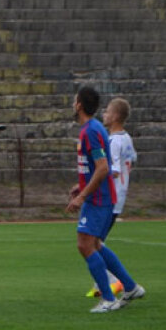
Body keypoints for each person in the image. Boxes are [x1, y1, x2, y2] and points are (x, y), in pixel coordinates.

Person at [65, 85, 145, 313]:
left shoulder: (90, 131)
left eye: (75, 100)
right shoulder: (95, 128)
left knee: (85, 245)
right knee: (95, 245)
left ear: (79, 105)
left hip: (98, 199)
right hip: (100, 196)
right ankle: (130, 287)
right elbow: (100, 166)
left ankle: (108, 299)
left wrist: (82, 196)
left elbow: (102, 168)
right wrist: (81, 186)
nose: (73, 104)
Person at [87, 96, 138, 298]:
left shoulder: (113, 141)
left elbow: (112, 170)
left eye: (107, 111)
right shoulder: (126, 138)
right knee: (95, 241)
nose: (104, 114)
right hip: (119, 197)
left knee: (93, 243)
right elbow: (132, 159)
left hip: (110, 199)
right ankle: (104, 283)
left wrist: (90, 184)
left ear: (115, 116)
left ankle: (114, 282)